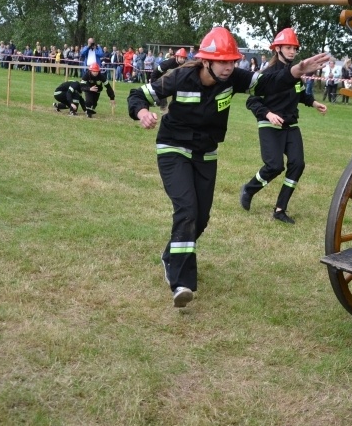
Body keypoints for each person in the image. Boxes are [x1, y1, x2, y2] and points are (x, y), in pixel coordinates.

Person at [127, 26, 329, 307]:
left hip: (206, 153)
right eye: (222, 61)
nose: (228, 67)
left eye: (232, 61)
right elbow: (138, 94)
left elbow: (267, 85)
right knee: (186, 209)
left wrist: (295, 72)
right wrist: (142, 111)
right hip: (173, 148)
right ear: (206, 60)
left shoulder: (234, 78)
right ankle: (181, 283)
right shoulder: (181, 76)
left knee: (202, 217)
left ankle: (172, 253)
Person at [240, 27, 328, 224]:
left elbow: (301, 94)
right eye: (288, 47)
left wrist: (314, 103)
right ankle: (249, 189)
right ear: (277, 49)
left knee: (298, 164)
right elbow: (252, 101)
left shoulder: (296, 74)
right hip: (269, 125)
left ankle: (280, 209)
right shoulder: (267, 74)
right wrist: (268, 114)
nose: (292, 52)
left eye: (294, 48)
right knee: (275, 166)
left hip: (290, 124)